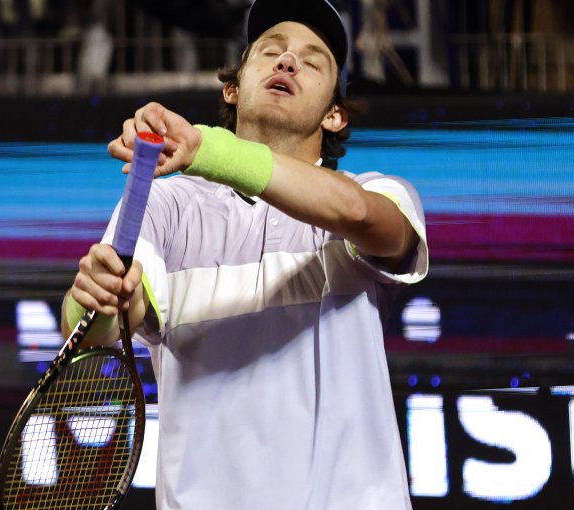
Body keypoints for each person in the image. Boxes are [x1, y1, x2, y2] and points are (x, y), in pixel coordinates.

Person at [62, 0, 429, 507]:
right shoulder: (168, 201)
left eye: (312, 60)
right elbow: (106, 325)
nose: (287, 62)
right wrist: (95, 303)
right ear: (233, 88)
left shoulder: (375, 192)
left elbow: (360, 216)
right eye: (270, 52)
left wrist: (208, 151)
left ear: (334, 114)